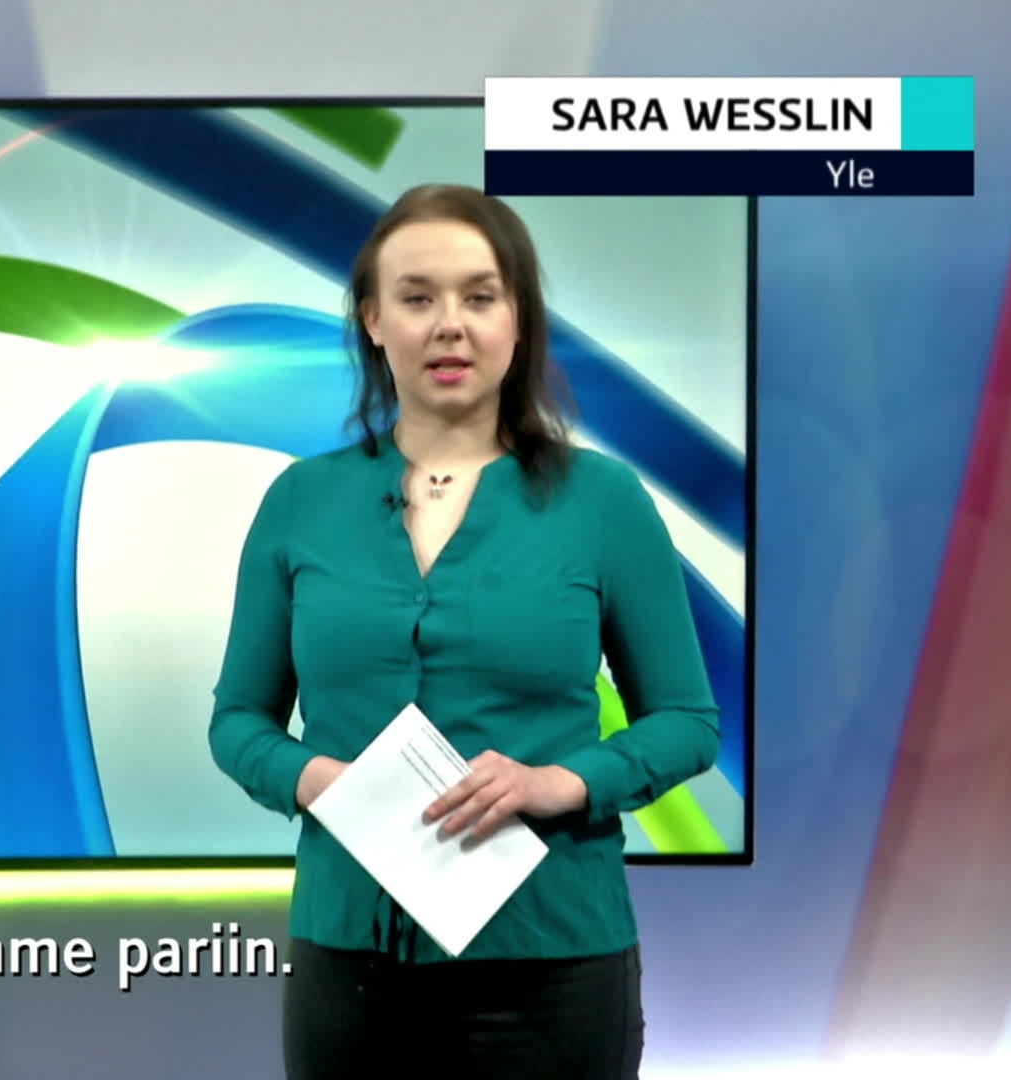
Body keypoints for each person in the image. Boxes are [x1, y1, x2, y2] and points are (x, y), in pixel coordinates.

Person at [207, 183, 721, 1080]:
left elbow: (687, 722)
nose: (450, 325)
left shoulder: (603, 502)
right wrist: (320, 781)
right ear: (374, 321)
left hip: (553, 959)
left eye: (480, 297)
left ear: (518, 321)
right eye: (417, 298)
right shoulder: (300, 502)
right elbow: (238, 723)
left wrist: (559, 782)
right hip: (348, 965)